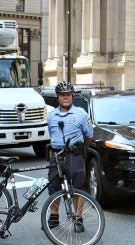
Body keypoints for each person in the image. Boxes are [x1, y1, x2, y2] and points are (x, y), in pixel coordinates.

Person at [46, 81, 93, 231]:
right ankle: (54, 216)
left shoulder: (81, 114)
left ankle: (78, 218)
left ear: (72, 96)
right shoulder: (51, 116)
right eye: (62, 95)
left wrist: (81, 149)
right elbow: (51, 134)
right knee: (54, 187)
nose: (66, 97)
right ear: (57, 97)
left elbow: (89, 136)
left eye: (68, 94)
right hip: (56, 155)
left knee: (78, 187)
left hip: (74, 155)